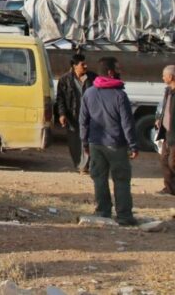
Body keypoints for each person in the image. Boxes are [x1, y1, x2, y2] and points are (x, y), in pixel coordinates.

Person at [80, 57, 138, 226]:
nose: (120, 72)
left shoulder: (89, 93)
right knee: (121, 180)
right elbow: (127, 123)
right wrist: (133, 145)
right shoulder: (120, 95)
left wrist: (84, 143)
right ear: (111, 72)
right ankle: (124, 216)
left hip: (95, 144)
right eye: (118, 69)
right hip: (116, 145)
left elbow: (83, 121)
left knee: (99, 178)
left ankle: (103, 212)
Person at [55, 54, 96, 173]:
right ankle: (79, 164)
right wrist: (62, 114)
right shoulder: (64, 80)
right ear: (74, 66)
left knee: (88, 141)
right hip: (72, 116)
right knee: (74, 142)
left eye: (85, 63)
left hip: (89, 116)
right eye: (82, 64)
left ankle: (87, 164)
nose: (85, 66)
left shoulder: (92, 78)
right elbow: (60, 99)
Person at [158, 65, 175, 196]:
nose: (162, 78)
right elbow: (165, 108)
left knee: (172, 162)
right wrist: (160, 119)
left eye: (164, 75)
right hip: (166, 133)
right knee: (164, 161)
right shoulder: (168, 91)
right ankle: (169, 189)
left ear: (171, 77)